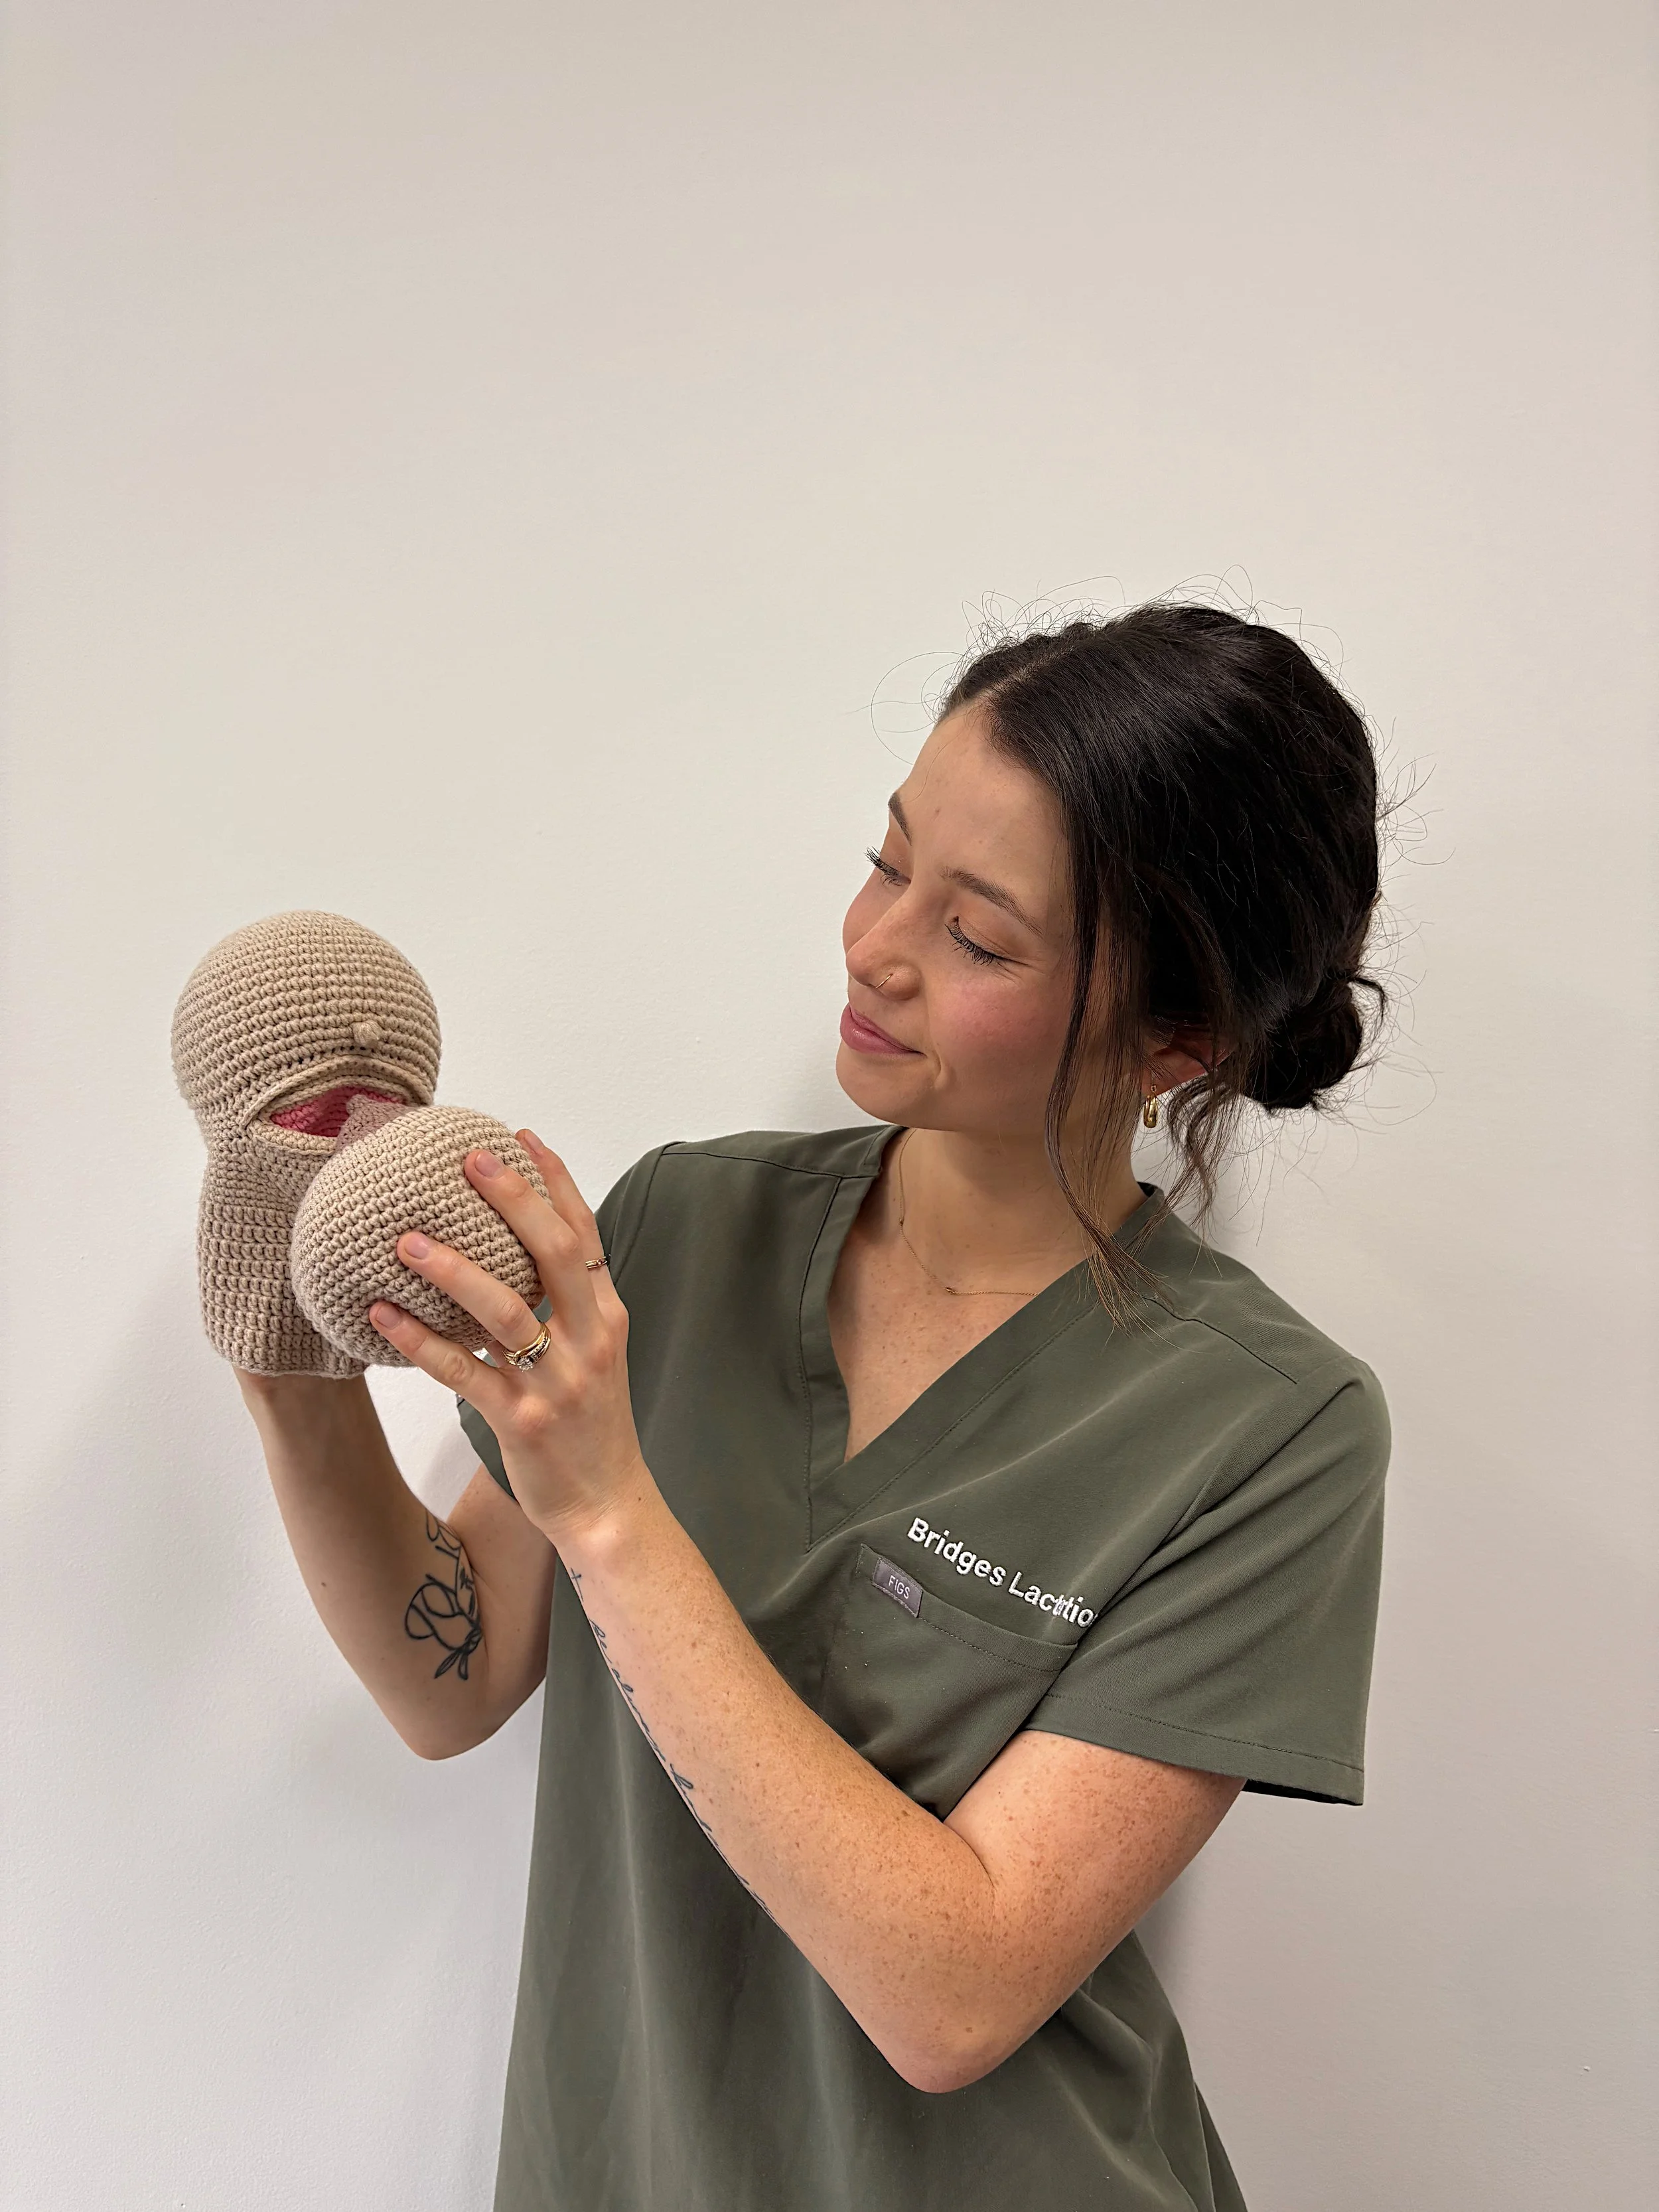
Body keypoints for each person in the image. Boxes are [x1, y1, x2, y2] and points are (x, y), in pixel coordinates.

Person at [236, 603, 1392, 2211]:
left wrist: (611, 1514)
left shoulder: (1266, 1430)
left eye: (979, 936)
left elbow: (954, 1992)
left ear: (1174, 1038)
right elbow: (456, 1678)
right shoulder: (677, 1228)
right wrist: (283, 1368)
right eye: (886, 856)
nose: (874, 944)